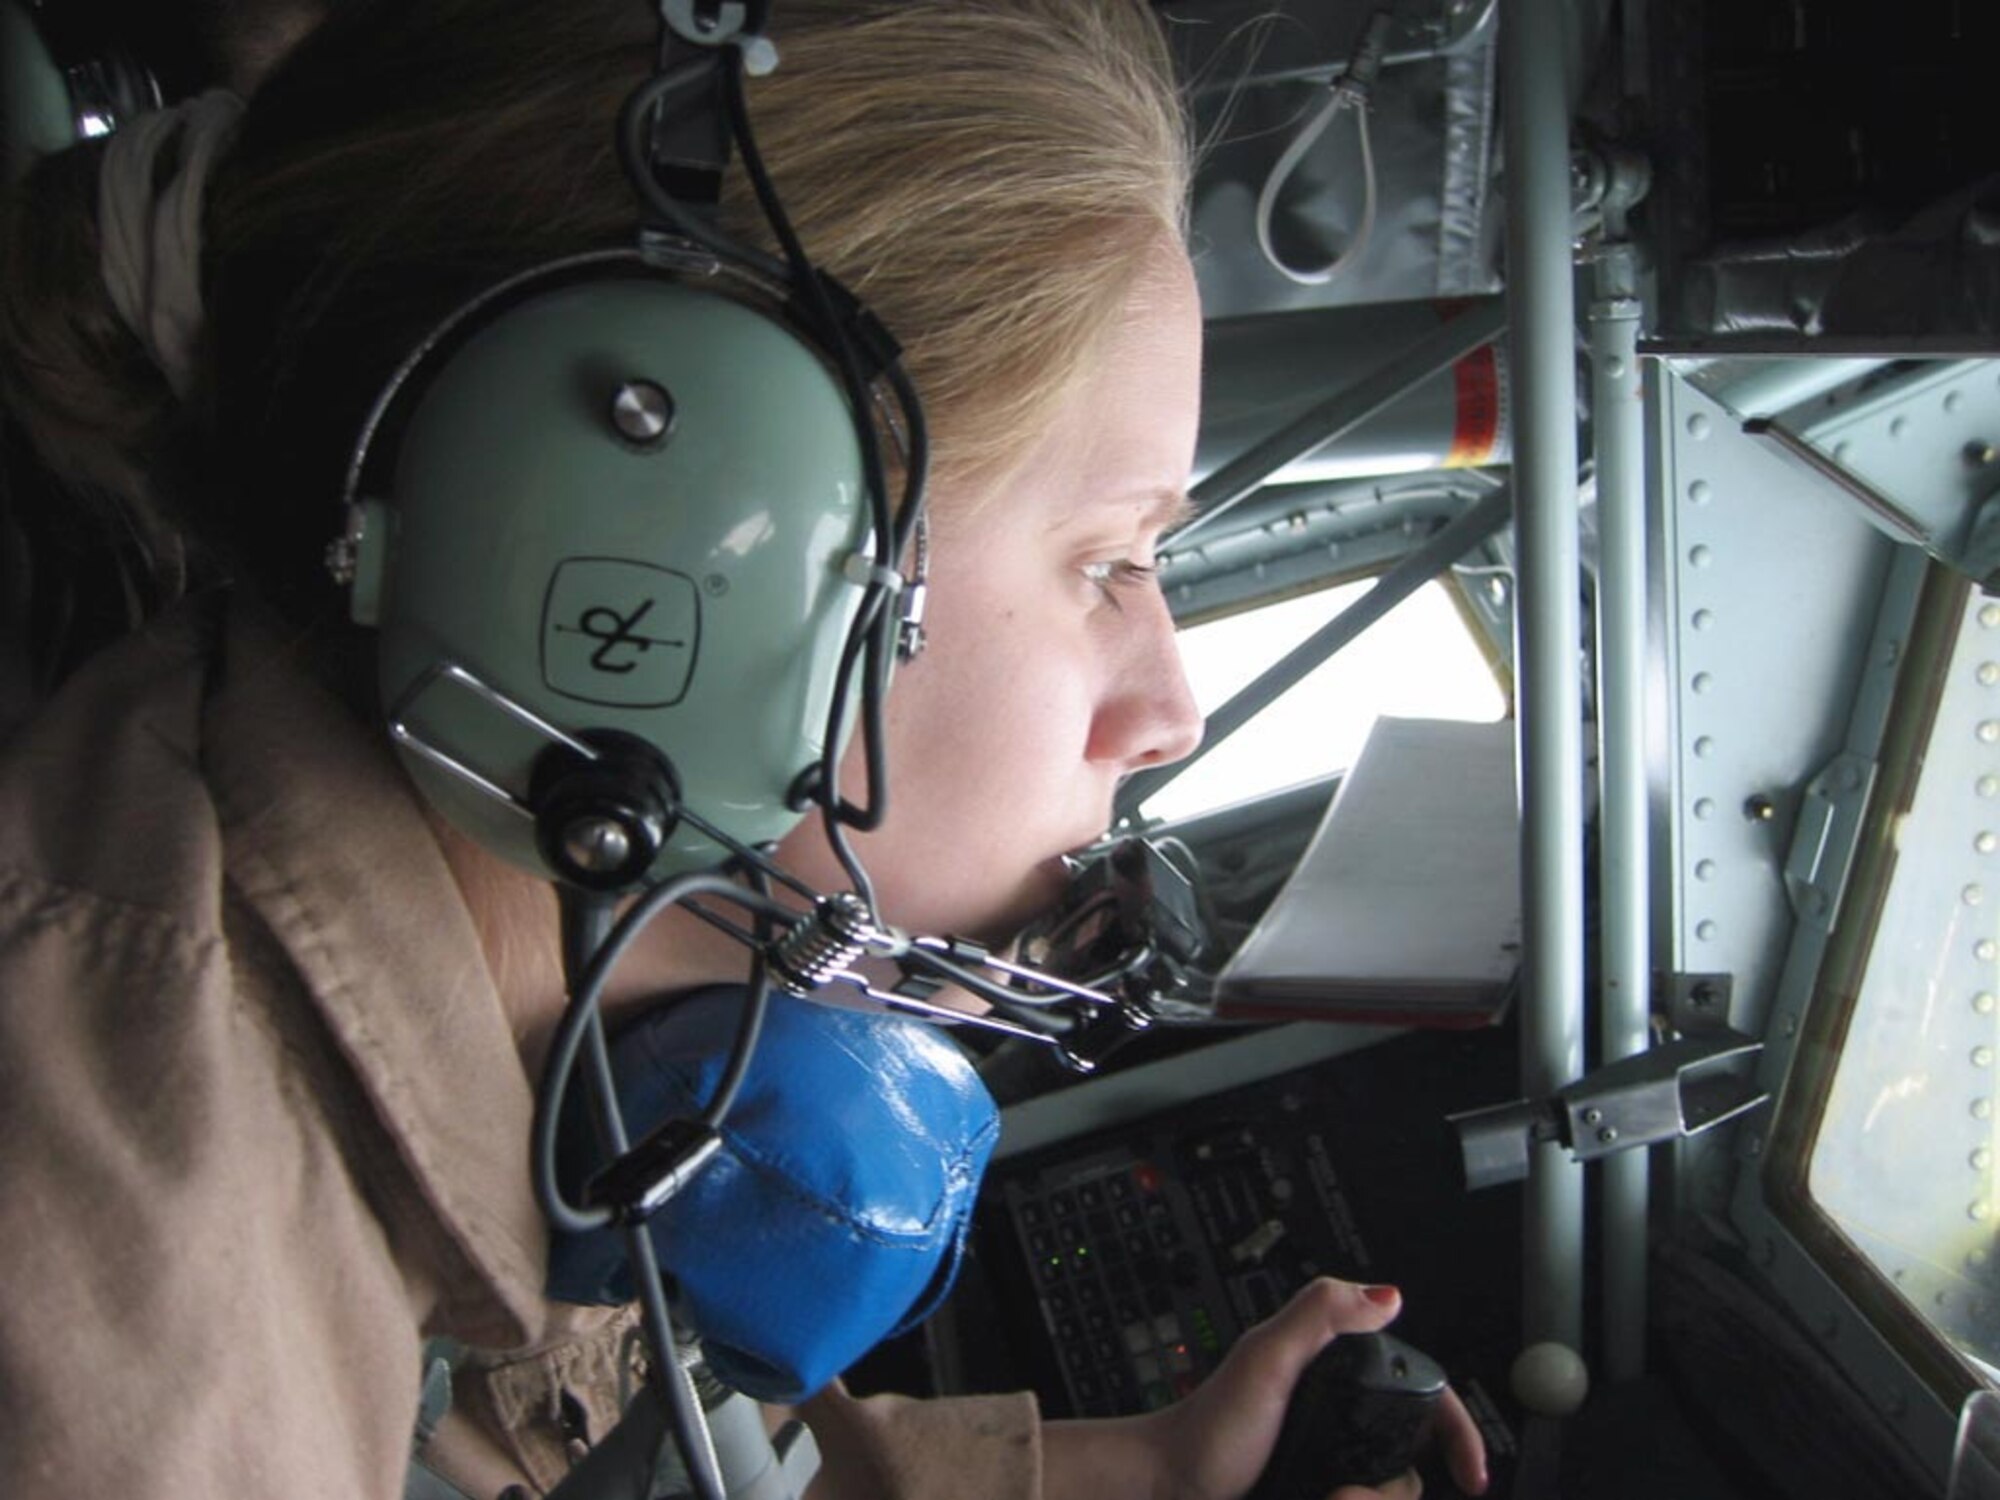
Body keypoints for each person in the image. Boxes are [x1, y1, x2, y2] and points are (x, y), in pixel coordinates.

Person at [0, 2, 1488, 1497]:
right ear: (657, 533)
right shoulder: (140, 1363)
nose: (1173, 714)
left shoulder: (502, 1024)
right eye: (1110, 562)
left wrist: (1158, 1476)